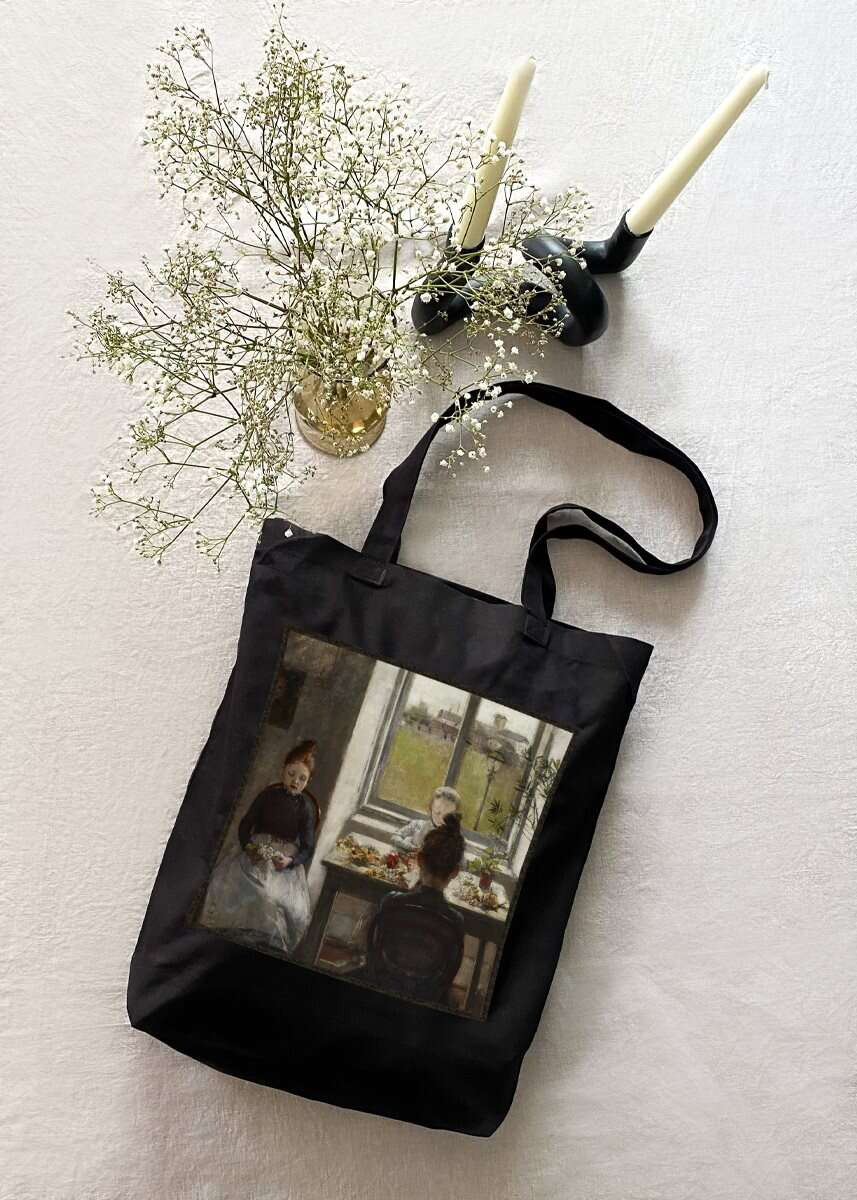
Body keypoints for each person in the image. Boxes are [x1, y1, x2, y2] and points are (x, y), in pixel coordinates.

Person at [201, 739, 321, 955]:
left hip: (283, 862)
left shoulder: (306, 808)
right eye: (291, 774)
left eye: (302, 778)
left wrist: (290, 861)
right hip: (255, 851)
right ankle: (230, 937)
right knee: (228, 885)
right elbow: (246, 825)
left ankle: (263, 945)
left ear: (308, 781)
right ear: (283, 770)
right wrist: (249, 847)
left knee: (272, 898)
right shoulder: (267, 796)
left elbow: (308, 847)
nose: (295, 781)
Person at [366, 812, 466, 1006]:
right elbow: (446, 975)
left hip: (381, 986)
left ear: (420, 859)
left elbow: (375, 953)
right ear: (455, 872)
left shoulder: (392, 902)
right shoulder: (455, 921)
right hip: (424, 998)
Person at [390, 785, 462, 854]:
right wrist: (410, 847)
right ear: (431, 807)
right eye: (437, 812)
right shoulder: (417, 825)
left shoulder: (453, 840)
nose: (440, 819)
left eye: (446, 816)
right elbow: (395, 836)